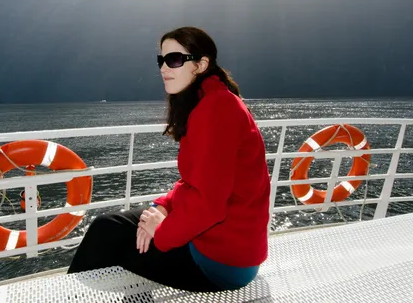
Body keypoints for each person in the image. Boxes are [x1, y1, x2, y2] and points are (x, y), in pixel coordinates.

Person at [67, 26, 271, 293]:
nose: (164, 67)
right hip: (222, 244)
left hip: (221, 261)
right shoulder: (211, 101)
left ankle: (70, 296)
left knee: (113, 247)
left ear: (201, 65)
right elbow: (195, 182)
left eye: (174, 59)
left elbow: (210, 206)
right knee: (109, 227)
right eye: (161, 60)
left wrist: (161, 230)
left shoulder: (217, 109)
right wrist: (162, 207)